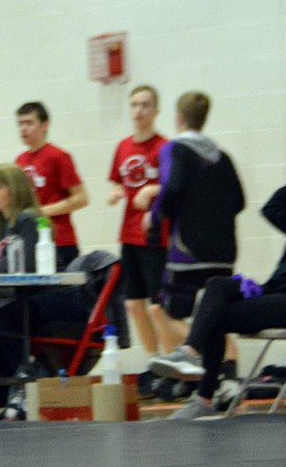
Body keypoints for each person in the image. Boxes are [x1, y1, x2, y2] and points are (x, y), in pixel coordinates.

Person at [151, 153, 286, 419]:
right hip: (277, 292)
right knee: (216, 287)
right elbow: (271, 210)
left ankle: (203, 395)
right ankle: (190, 354)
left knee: (217, 316)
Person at [145, 91, 245, 361]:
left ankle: (188, 359)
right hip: (224, 251)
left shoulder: (174, 149)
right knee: (214, 310)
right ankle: (227, 373)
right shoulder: (223, 157)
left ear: (178, 118)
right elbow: (239, 201)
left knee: (161, 310)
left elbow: (172, 187)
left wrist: (154, 216)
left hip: (188, 250)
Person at [105, 85, 169, 395]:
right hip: (128, 235)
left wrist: (153, 191)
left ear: (156, 110)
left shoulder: (165, 147)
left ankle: (173, 363)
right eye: (134, 104)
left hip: (156, 236)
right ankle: (154, 361)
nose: (139, 110)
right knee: (133, 304)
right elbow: (119, 182)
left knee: (159, 306)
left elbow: (175, 186)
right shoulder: (122, 147)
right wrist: (117, 192)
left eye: (145, 105)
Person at [15, 102, 87, 270]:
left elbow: (81, 198)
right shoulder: (19, 161)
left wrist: (41, 212)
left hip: (59, 241)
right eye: (20, 124)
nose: (23, 129)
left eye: (29, 123)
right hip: (31, 240)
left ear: (44, 125)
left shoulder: (58, 156)